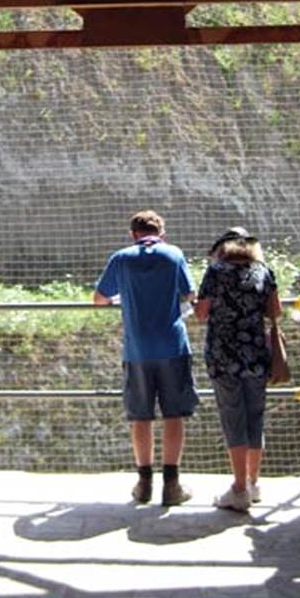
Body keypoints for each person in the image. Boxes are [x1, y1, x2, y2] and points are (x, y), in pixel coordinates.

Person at [93, 209, 199, 506]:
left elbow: (99, 299)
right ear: (161, 233)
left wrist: (120, 297)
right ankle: (172, 484)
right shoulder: (173, 254)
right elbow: (191, 294)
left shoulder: (121, 258)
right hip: (173, 346)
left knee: (140, 415)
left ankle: (143, 483)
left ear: (133, 234)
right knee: (174, 414)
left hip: (137, 349)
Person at [195, 231, 281, 512]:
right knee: (255, 416)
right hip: (256, 354)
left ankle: (239, 488)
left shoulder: (216, 271)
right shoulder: (263, 271)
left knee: (234, 418)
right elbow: (275, 311)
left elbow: (201, 313)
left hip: (223, 356)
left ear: (224, 251)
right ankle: (254, 483)